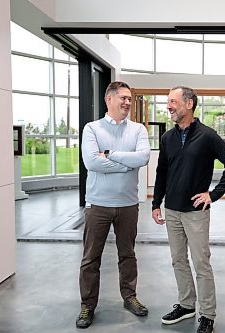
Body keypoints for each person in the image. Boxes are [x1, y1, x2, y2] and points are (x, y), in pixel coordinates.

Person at [151, 86, 225, 333]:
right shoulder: (167, 138)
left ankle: (208, 315)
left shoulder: (207, 136)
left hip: (195, 213)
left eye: (173, 101)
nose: (168, 106)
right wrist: (156, 203)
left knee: (201, 263)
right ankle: (187, 304)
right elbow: (161, 173)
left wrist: (213, 194)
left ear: (188, 104)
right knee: (178, 260)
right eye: (168, 102)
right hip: (172, 211)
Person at [76, 81, 150, 329]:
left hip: (129, 204)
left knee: (127, 255)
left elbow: (143, 157)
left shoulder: (138, 129)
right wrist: (127, 164)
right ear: (109, 99)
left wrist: (109, 154)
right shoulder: (92, 129)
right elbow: (91, 163)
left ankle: (130, 297)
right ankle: (87, 306)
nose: (128, 102)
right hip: (98, 204)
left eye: (130, 98)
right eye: (123, 98)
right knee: (90, 259)